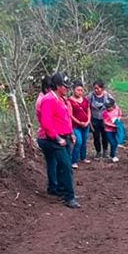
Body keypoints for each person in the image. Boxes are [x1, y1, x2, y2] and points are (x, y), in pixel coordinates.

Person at [38, 73, 80, 209]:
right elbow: (46, 122)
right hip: (56, 139)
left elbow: (65, 118)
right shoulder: (48, 100)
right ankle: (69, 196)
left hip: (65, 136)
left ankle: (62, 190)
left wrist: (71, 133)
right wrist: (56, 137)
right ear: (57, 86)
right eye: (64, 86)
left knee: (63, 166)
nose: (66, 89)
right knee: (66, 166)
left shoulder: (60, 99)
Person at [68, 80, 91, 169]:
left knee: (84, 142)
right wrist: (79, 122)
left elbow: (88, 110)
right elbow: (70, 115)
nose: (80, 92)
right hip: (75, 126)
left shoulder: (85, 100)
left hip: (86, 125)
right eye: (78, 90)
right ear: (73, 90)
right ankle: (74, 161)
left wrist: (88, 120)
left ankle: (83, 157)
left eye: (81, 90)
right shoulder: (70, 101)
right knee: (78, 142)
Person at [88, 80, 113, 159]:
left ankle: (105, 152)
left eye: (98, 88)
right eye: (94, 88)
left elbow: (113, 105)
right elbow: (87, 106)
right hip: (94, 120)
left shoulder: (107, 96)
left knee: (105, 136)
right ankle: (98, 152)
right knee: (96, 137)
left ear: (102, 88)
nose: (96, 90)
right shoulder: (90, 96)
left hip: (105, 120)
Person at [102, 98, 122, 163]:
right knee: (112, 142)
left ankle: (112, 154)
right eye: (107, 107)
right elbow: (105, 122)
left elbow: (119, 114)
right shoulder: (105, 113)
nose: (108, 109)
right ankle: (113, 156)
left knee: (116, 142)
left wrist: (117, 120)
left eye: (110, 107)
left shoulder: (117, 109)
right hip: (108, 130)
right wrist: (113, 125)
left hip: (115, 129)